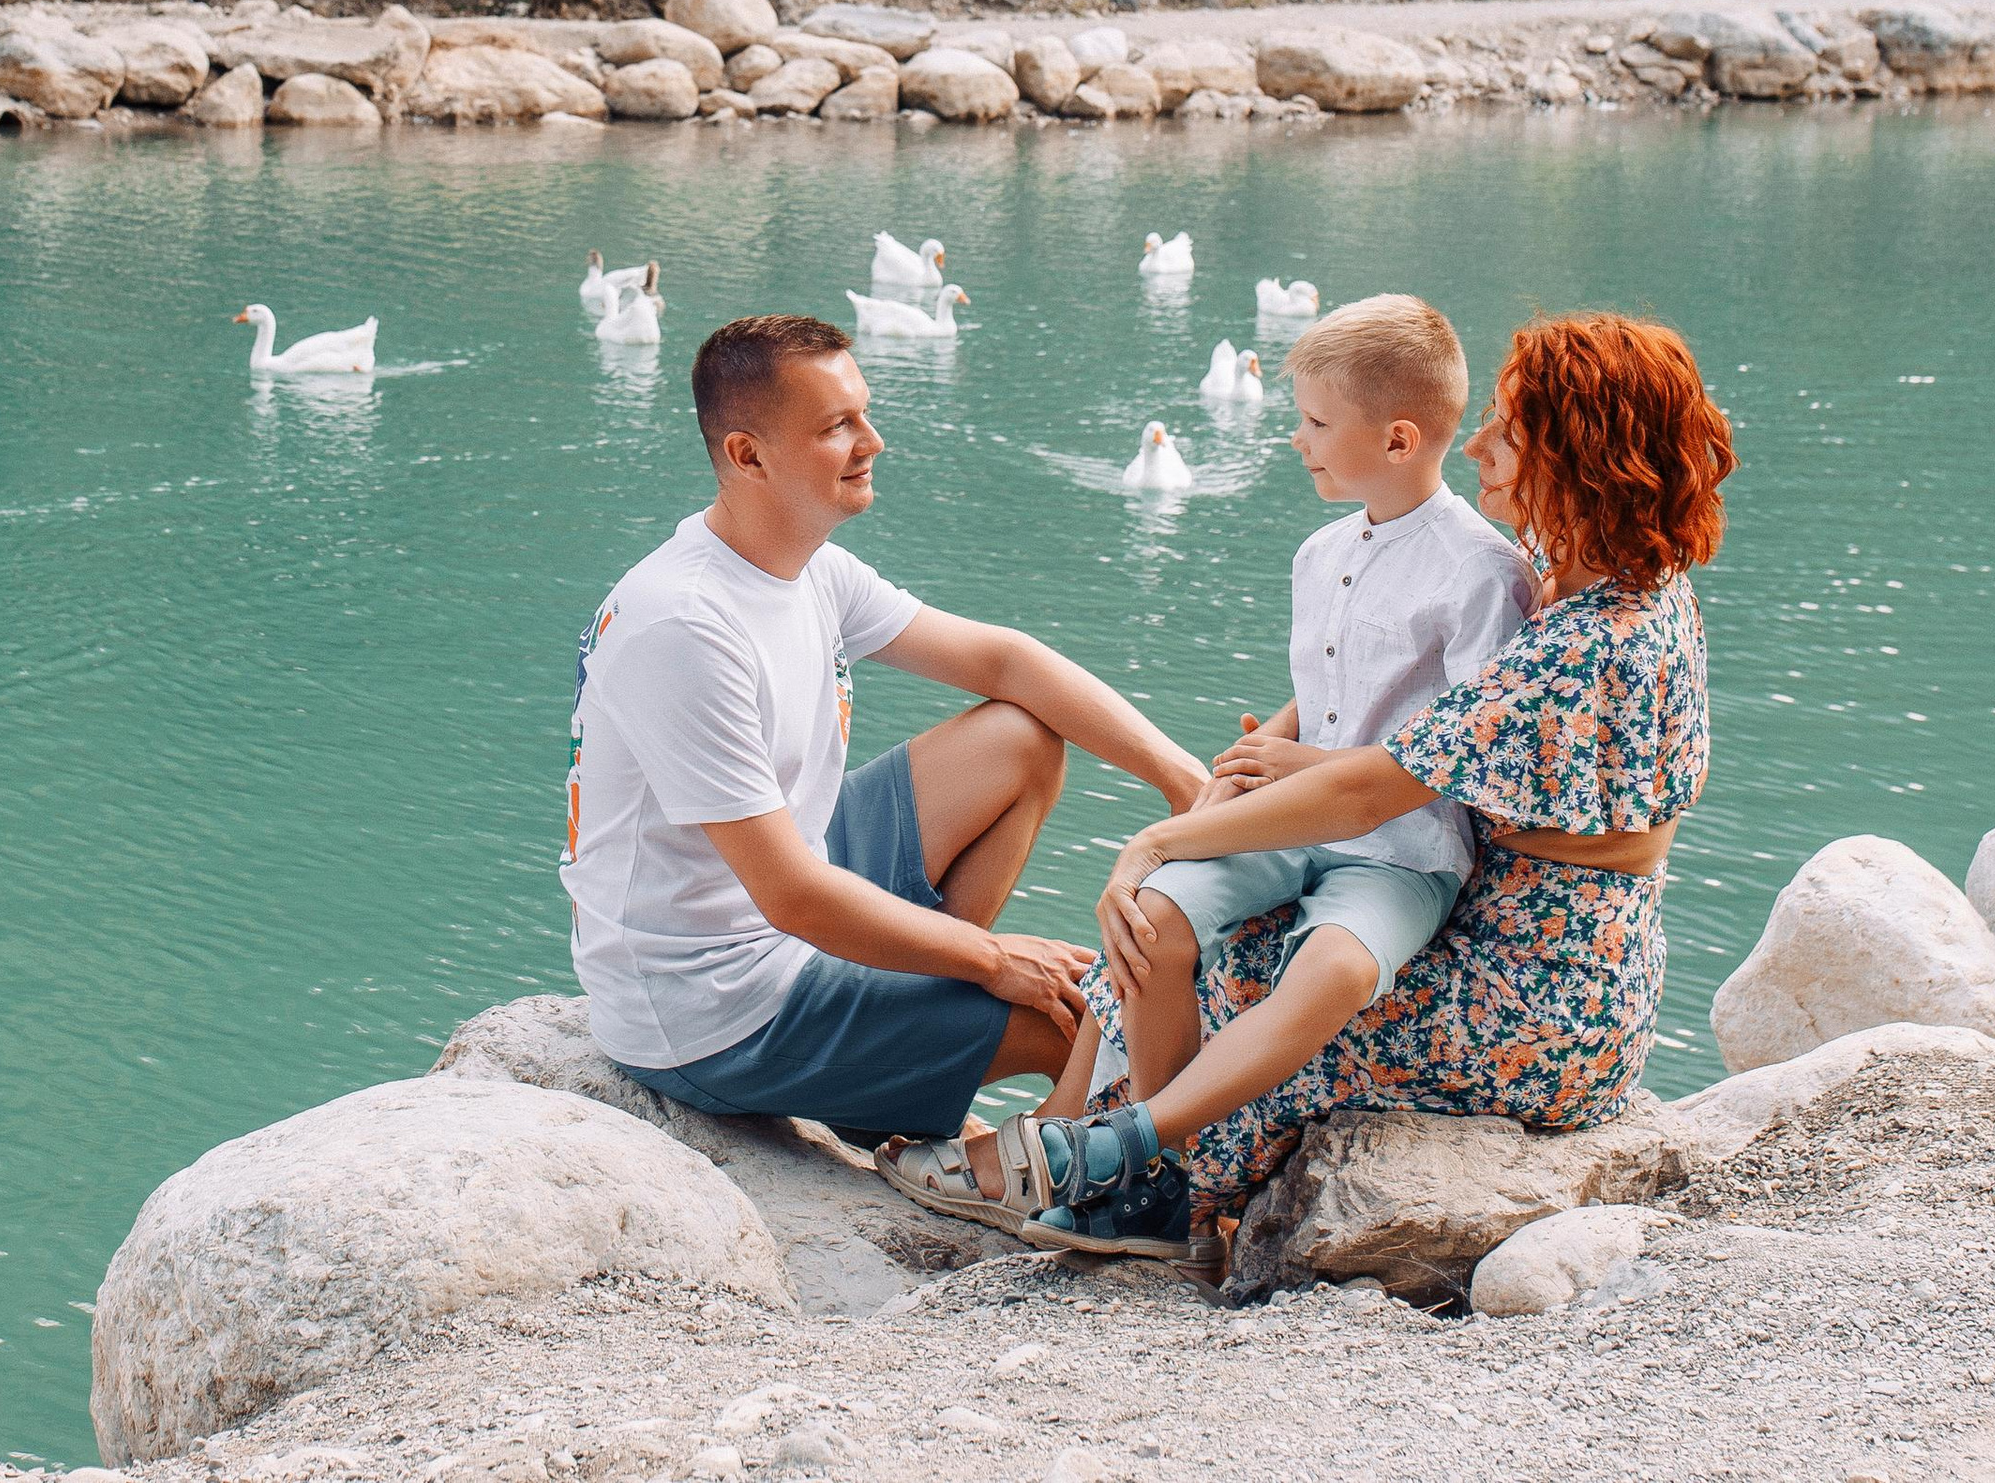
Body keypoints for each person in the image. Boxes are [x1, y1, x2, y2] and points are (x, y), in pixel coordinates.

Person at [972, 310, 1733, 1262]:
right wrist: (1293, 743)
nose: (1483, 444)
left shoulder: (1589, 638)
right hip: (1548, 938)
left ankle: (1137, 1175)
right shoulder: (1606, 585)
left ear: (1580, 457)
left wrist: (1169, 834)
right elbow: (1397, 721)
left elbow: (1377, 790)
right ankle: (1097, 1153)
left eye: (1511, 429)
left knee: (1244, 971)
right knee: (1193, 927)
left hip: (1537, 989)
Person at [880, 294, 1533, 1252]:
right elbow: (1323, 691)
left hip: (1400, 849)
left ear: (1398, 440)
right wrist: (1242, 770)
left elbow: (1468, 756)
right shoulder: (1322, 554)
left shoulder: (1482, 571)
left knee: (1338, 966)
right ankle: (1152, 1183)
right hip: (1291, 823)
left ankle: (1114, 1155)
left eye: (1315, 422)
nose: (1297, 439)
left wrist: (1303, 763)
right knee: (1154, 917)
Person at [562, 313, 1208, 1165]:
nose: (872, 440)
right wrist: (987, 959)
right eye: (836, 427)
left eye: (862, 413)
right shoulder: (683, 625)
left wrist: (1179, 777)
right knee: (1085, 1016)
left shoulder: (807, 567)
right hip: (710, 1003)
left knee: (1019, 739)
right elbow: (790, 897)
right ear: (748, 456)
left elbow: (1007, 663)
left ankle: (901, 1033)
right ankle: (1037, 1176)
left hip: (787, 882)